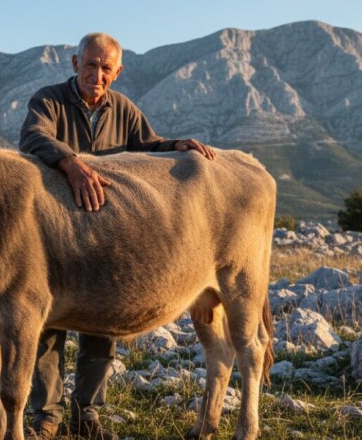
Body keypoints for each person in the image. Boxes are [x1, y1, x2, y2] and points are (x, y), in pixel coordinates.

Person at [18, 32, 215, 439]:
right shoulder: (48, 100)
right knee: (47, 326)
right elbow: (34, 138)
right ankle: (48, 418)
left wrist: (176, 145)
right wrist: (71, 164)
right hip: (52, 233)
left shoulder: (123, 108)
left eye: (106, 68)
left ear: (118, 72)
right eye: (90, 65)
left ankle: (86, 415)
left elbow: (146, 146)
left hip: (105, 236)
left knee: (102, 326)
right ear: (75, 64)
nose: (97, 74)